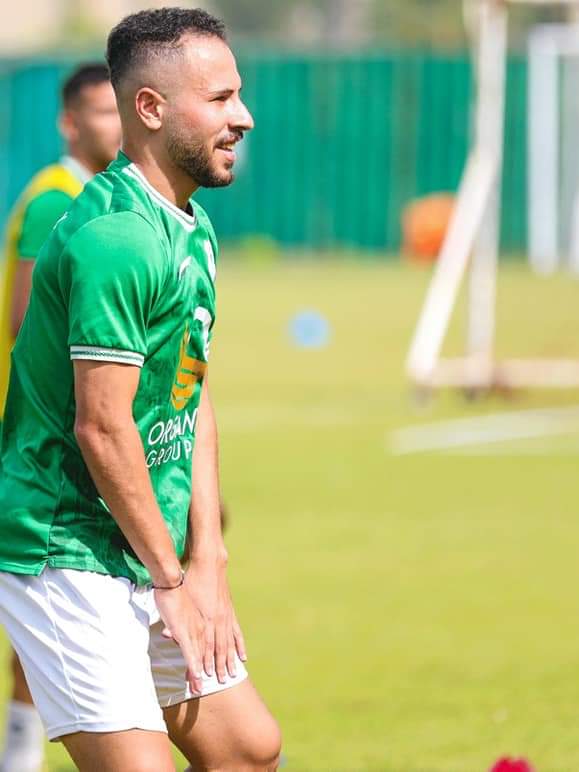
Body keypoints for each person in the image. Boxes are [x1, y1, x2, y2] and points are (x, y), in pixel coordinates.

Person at [0, 8, 281, 771]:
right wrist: (173, 578)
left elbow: (192, 391)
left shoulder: (191, 226)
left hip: (146, 545)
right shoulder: (116, 236)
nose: (244, 117)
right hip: (65, 547)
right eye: (220, 99)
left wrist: (208, 558)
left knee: (249, 749)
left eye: (238, 95)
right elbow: (102, 427)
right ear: (150, 108)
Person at [0, 61, 121, 772]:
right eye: (104, 112)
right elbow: (26, 322)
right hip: (31, 442)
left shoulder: (97, 197)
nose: (119, 125)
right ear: (69, 123)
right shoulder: (57, 199)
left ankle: (19, 757)